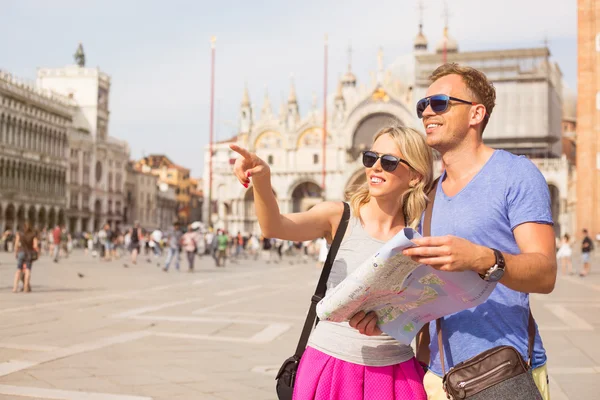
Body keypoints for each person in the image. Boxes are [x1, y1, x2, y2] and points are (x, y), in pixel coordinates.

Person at [230, 124, 433, 399]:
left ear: (415, 177)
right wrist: (263, 180)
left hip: (397, 371)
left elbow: (429, 310)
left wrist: (422, 363)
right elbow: (274, 227)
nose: (375, 167)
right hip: (331, 364)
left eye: (388, 161)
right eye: (370, 158)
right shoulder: (339, 217)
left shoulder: (422, 234)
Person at [400, 63, 556, 400]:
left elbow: (545, 273)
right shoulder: (429, 194)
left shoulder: (516, 174)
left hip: (504, 371)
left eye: (440, 103)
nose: (427, 111)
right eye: (422, 106)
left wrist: (481, 258)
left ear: (476, 114)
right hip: (439, 377)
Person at [13, 222, 38, 293]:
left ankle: (15, 288)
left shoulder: (19, 234)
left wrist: (15, 253)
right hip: (29, 253)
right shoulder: (33, 234)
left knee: (18, 270)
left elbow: (16, 244)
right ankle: (26, 288)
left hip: (21, 252)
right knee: (27, 270)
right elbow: (35, 246)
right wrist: (37, 253)